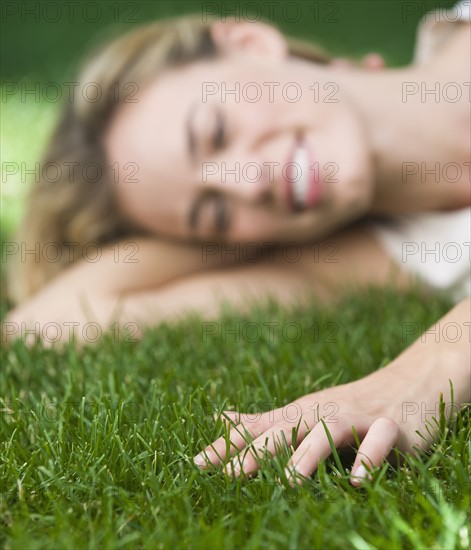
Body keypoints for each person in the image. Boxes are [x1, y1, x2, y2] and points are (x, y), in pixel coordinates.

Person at [3, 1, 470, 484]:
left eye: (216, 131)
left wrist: (425, 371)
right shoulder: (392, 257)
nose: (248, 184)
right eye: (216, 212)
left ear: (252, 45)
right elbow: (49, 324)